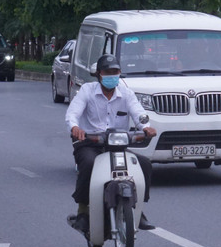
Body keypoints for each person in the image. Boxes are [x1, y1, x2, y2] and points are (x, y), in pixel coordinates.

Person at [65, 54, 157, 233]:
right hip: (89, 143)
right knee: (89, 164)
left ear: (120, 73)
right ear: (99, 74)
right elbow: (72, 113)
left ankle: (139, 211)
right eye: (108, 72)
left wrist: (146, 127)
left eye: (115, 72)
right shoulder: (87, 90)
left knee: (144, 164)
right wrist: (75, 127)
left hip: (117, 145)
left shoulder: (126, 93)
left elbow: (139, 113)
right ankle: (83, 212)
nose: (111, 75)